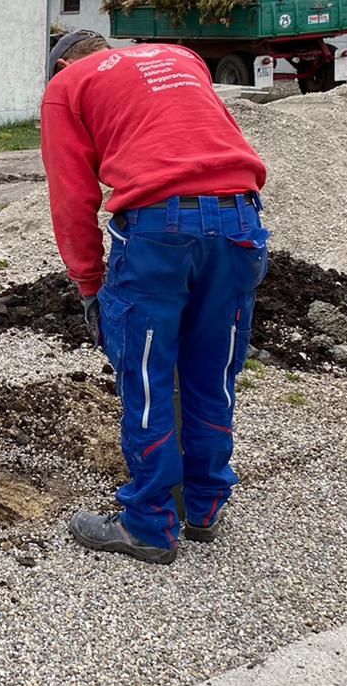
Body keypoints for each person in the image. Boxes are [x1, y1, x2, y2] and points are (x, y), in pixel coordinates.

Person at [40, 30, 269, 565]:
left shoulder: (67, 85)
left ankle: (148, 524)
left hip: (159, 231)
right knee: (212, 372)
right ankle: (205, 506)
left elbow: (72, 196)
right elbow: (198, 133)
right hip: (241, 221)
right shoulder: (182, 56)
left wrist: (89, 285)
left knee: (147, 376)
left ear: (66, 61)